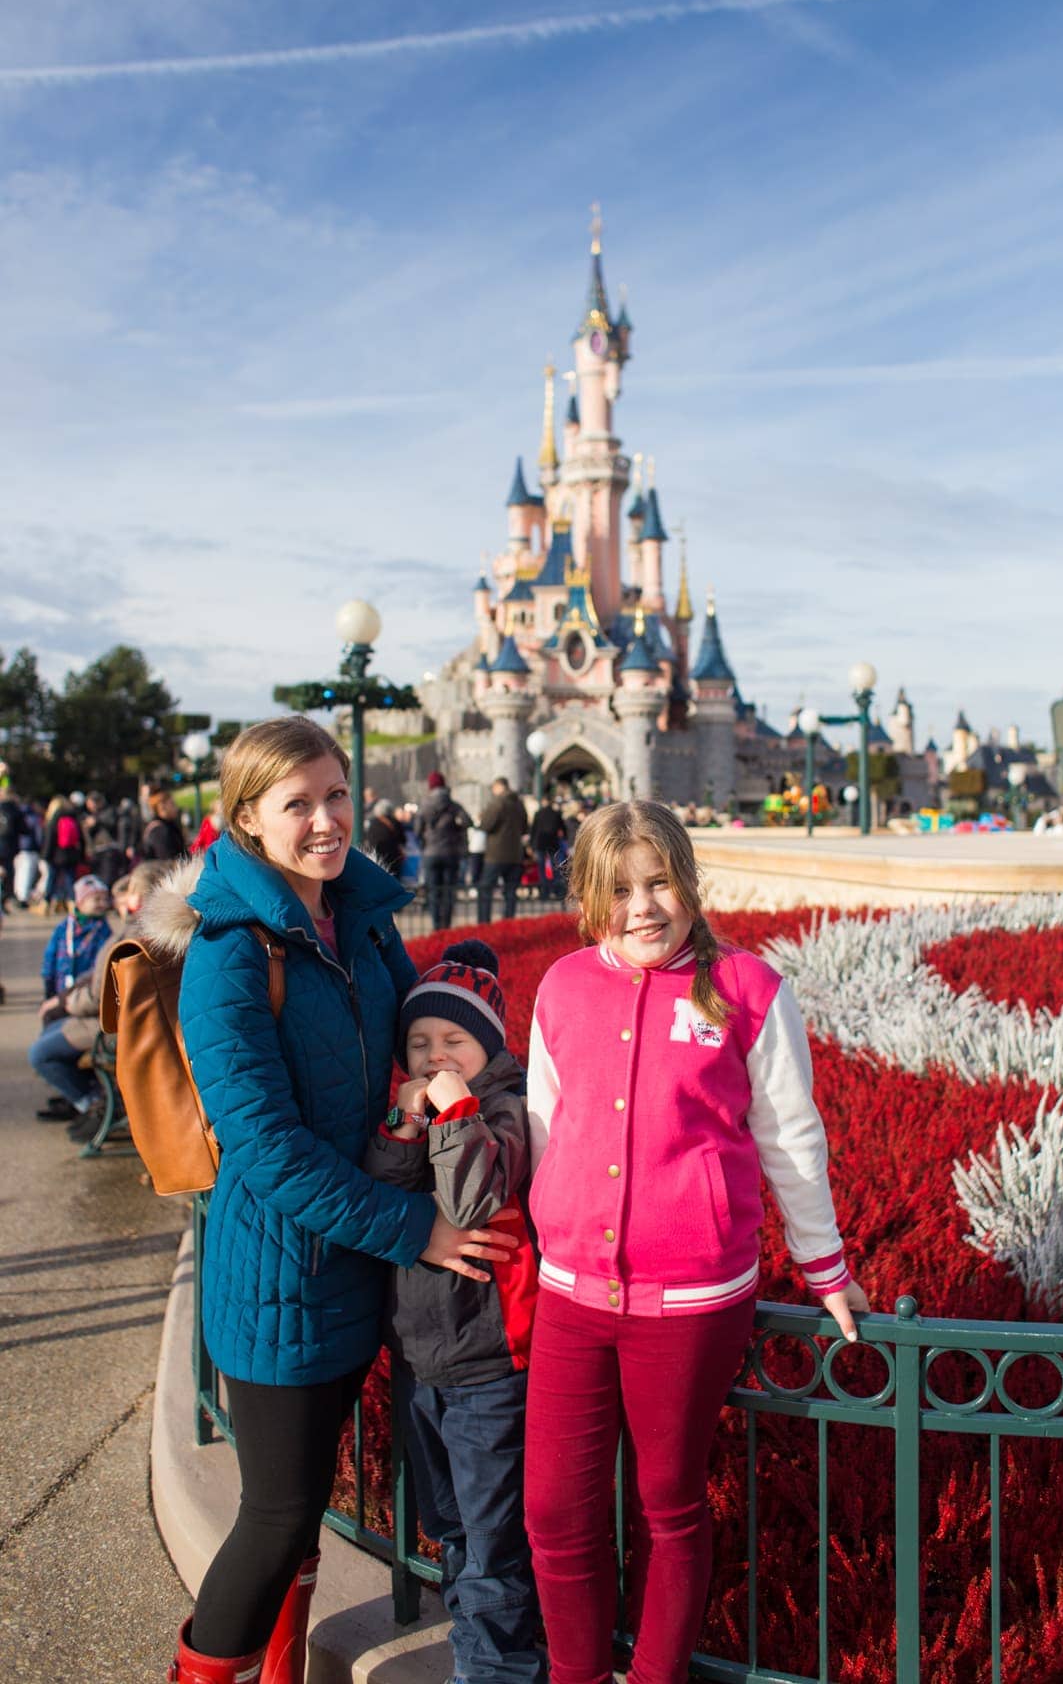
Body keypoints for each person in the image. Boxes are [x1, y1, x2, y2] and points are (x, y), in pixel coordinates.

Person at [161, 716, 519, 1684]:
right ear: (246, 819)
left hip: (357, 1272)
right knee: (276, 1514)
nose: (325, 821)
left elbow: (416, 1041)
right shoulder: (231, 955)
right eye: (297, 804)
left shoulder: (355, 919)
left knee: (305, 1506)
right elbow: (266, 1150)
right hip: (282, 1278)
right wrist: (418, 1227)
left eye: (335, 796)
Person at [522, 799, 870, 1684]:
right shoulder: (562, 986)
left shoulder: (748, 988)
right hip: (570, 1292)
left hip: (689, 1302)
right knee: (557, 1510)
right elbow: (541, 1124)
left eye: (660, 882)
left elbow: (792, 1136)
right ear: (590, 901)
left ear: (688, 882)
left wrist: (825, 1266)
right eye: (619, 890)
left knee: (666, 1504)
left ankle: (655, 1677)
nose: (643, 907)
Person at [363, 938, 543, 1684]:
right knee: (453, 1527)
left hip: (489, 1365)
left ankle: (496, 1670)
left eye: (454, 1041)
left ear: (488, 1046)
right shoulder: (433, 1106)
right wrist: (405, 1123)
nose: (437, 1055)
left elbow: (471, 1197)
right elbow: (386, 1184)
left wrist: (452, 1108)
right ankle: (481, 1649)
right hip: (421, 1359)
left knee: (494, 1538)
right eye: (421, 1043)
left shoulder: (504, 1109)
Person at [43, 860, 170, 1144]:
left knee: (41, 1052)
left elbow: (101, 994)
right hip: (115, 1019)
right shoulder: (134, 926)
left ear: (140, 895)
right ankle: (90, 1099)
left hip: (113, 1026)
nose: (121, 898)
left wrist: (65, 1003)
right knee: (50, 1026)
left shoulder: (135, 932)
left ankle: (92, 1102)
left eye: (130, 891)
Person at [29, 875, 116, 1122]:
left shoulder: (105, 932)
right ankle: (72, 1090)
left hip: (85, 1003)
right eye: (94, 899)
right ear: (78, 902)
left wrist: (69, 1001)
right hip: (69, 993)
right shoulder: (65, 928)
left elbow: (98, 982)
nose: (101, 904)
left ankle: (88, 1099)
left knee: (45, 1049)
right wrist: (50, 989)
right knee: (48, 1020)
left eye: (104, 899)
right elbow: (51, 957)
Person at [414, 771, 472, 930]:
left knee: (433, 891)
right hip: (451, 853)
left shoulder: (424, 805)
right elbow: (468, 821)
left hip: (431, 853)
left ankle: (436, 925)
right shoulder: (453, 805)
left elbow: (417, 830)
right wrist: (456, 828)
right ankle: (446, 925)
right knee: (448, 891)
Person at [477, 777, 528, 924]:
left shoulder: (497, 802)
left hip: (496, 854)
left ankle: (484, 922)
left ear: (498, 787)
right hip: (515, 854)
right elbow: (525, 828)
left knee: (486, 890)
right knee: (510, 892)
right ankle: (508, 922)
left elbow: (486, 825)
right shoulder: (519, 803)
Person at [40, 794, 86, 911]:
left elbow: (50, 838)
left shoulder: (54, 818)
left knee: (52, 879)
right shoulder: (73, 817)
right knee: (70, 879)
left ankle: (46, 904)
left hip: (56, 854)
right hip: (71, 854)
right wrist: (81, 855)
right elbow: (81, 838)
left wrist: (45, 855)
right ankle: (73, 904)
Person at [529, 788, 567, 901]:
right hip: (553, 843)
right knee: (555, 868)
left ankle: (544, 892)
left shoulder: (538, 814)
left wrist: (532, 845)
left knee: (541, 868)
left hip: (541, 844)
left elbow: (534, 830)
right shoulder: (556, 814)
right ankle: (557, 891)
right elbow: (563, 829)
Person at [139, 788, 188, 863]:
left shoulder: (168, 826)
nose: (176, 807)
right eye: (172, 804)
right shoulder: (160, 831)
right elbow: (169, 861)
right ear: (162, 807)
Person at [363, 798, 406, 875]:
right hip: (394, 858)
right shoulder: (395, 822)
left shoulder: (373, 823)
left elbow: (368, 838)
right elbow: (403, 840)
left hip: (377, 857)